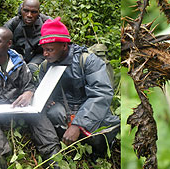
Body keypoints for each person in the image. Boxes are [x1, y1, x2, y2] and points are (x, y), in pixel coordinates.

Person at [0, 27, 60, 168]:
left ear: (9, 44)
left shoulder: (18, 61)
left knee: (37, 113)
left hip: (18, 107)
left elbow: (28, 84)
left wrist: (28, 93)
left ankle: (53, 157)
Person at [38, 17, 120, 158]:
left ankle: (97, 154)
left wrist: (78, 124)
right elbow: (44, 93)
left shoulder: (87, 61)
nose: (45, 54)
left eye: (50, 50)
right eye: (44, 50)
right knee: (53, 112)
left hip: (89, 110)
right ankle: (70, 150)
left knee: (103, 130)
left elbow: (101, 93)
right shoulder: (45, 66)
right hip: (64, 112)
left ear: (64, 46)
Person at [4, 0, 52, 74]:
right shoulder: (13, 23)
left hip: (39, 56)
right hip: (16, 57)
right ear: (21, 10)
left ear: (39, 12)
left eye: (34, 12)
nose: (29, 15)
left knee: (32, 68)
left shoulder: (47, 23)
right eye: (26, 11)